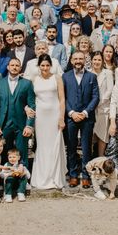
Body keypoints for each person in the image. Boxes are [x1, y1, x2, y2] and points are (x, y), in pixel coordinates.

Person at [62, 51, 100, 188]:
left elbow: (96, 97)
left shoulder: (92, 76)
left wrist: (85, 112)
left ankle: (85, 175)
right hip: (71, 117)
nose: (78, 61)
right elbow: (63, 97)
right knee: (71, 147)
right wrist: (71, 113)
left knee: (86, 148)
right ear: (71, 61)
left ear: (85, 60)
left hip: (87, 117)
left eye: (80, 58)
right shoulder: (65, 76)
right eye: (75, 59)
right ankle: (73, 175)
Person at [30, 55, 67, 190]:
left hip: (54, 116)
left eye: (47, 65)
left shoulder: (57, 78)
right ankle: (41, 177)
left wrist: (61, 117)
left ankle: (54, 177)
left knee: (54, 145)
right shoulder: (34, 80)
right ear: (38, 66)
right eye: (42, 65)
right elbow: (30, 98)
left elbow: (62, 99)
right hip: (40, 117)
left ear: (51, 65)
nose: (45, 68)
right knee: (42, 146)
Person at [0, 58, 36, 167]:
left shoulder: (27, 83)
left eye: (17, 65)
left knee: (22, 152)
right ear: (8, 67)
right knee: (5, 151)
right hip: (4, 124)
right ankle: (5, 178)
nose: (14, 67)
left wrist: (29, 126)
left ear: (20, 68)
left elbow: (32, 105)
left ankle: (23, 178)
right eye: (12, 65)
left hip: (21, 125)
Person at [91, 51, 114, 157]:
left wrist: (98, 102)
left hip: (103, 109)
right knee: (90, 136)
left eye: (99, 60)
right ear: (91, 60)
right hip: (90, 110)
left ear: (102, 61)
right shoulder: (87, 73)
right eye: (95, 59)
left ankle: (101, 158)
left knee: (102, 136)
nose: (97, 62)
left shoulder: (107, 73)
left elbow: (110, 90)